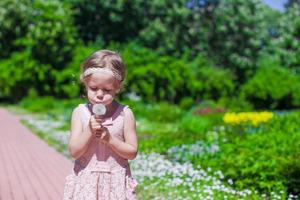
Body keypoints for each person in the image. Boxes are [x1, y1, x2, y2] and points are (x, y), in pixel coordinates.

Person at [63, 50, 138, 200]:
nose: (99, 94)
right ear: (85, 84)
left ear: (118, 87)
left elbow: (132, 152)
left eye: (107, 90)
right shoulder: (80, 113)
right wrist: (89, 130)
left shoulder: (125, 114)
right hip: (86, 182)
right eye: (93, 88)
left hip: (115, 184)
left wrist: (110, 139)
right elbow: (74, 151)